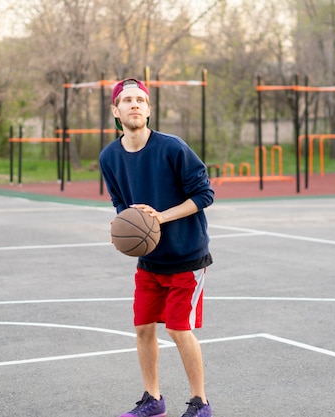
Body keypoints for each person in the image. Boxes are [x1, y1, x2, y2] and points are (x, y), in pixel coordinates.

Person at [99, 78, 214, 417]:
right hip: (150, 260)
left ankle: (200, 402)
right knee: (143, 328)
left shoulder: (173, 148)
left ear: (148, 109)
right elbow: (122, 203)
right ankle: (153, 399)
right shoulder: (110, 157)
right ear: (115, 111)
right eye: (127, 100)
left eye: (140, 100)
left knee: (179, 328)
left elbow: (205, 195)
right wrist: (124, 226)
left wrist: (160, 218)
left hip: (187, 256)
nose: (134, 105)